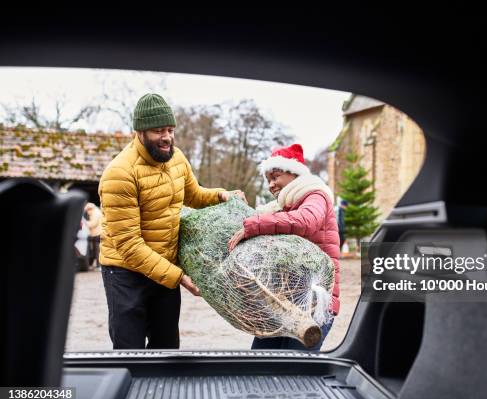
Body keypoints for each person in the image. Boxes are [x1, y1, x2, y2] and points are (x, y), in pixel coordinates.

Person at [98, 93, 247, 350]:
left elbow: (194, 195)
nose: (166, 137)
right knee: (129, 350)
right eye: (158, 131)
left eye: (170, 129)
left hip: (164, 267)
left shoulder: (176, 159)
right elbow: (129, 245)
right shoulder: (119, 174)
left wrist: (221, 195)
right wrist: (179, 277)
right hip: (125, 272)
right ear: (140, 132)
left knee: (166, 347)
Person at [227, 143, 340, 352]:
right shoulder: (283, 208)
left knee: (293, 374)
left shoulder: (315, 196)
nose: (271, 184)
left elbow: (306, 221)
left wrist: (255, 225)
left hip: (313, 305)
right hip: (284, 304)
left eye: (275, 176)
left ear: (294, 173)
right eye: (268, 179)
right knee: (260, 366)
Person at [84, 202, 102, 271]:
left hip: (97, 234)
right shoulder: (95, 212)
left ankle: (99, 265)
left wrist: (85, 223)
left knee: (97, 250)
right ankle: (96, 265)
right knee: (95, 250)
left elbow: (93, 224)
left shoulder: (96, 213)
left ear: (90, 209)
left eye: (87, 210)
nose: (87, 212)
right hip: (95, 233)